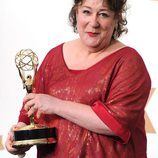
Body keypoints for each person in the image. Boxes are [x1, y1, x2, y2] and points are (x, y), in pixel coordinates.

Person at [5, 0, 151, 157]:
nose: (93, 22)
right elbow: (30, 112)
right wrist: (19, 138)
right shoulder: (54, 57)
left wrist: (55, 105)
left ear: (116, 19)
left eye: (103, 14)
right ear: (76, 13)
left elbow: (116, 123)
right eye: (86, 12)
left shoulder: (128, 61)